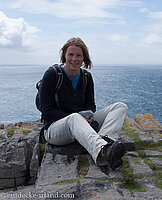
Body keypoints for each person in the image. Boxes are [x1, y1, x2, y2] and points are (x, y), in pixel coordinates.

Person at [39, 37, 128, 173]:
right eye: (71, 54)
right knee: (74, 117)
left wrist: (88, 115)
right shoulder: (52, 74)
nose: (74, 59)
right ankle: (102, 151)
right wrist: (79, 118)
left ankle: (104, 141)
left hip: (80, 123)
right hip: (54, 129)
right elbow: (47, 111)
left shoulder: (86, 77)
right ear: (64, 56)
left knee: (120, 107)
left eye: (78, 55)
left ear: (84, 58)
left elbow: (90, 105)